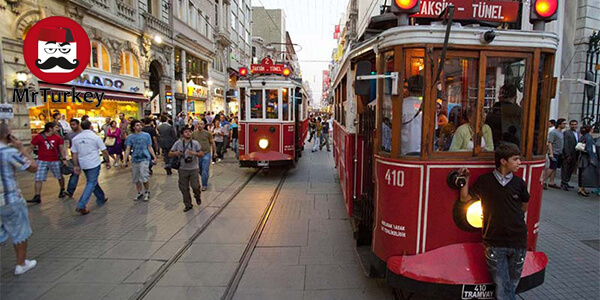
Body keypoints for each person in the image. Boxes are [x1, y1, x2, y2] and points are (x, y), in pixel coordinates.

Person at [459, 143, 529, 300]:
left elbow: (523, 206)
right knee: (504, 288)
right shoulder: (485, 181)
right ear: (503, 161)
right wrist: (466, 178)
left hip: (518, 242)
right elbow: (465, 198)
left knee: (509, 286)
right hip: (495, 242)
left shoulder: (519, 184)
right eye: (515, 159)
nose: (519, 162)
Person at [0, 123, 38, 275]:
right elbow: (33, 167)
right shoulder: (9, 152)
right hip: (10, 199)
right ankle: (21, 264)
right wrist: (21, 148)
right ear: (6, 135)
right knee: (19, 230)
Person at [71, 120, 111, 215]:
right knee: (91, 182)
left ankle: (100, 197)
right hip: (93, 162)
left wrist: (76, 165)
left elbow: (74, 153)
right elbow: (104, 151)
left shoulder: (76, 138)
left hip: (83, 163)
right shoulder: (95, 137)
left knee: (92, 181)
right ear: (90, 126)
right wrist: (108, 161)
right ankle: (81, 204)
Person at [28, 122, 68, 203]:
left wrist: (64, 159)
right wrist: (24, 156)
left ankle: (62, 189)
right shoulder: (39, 137)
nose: (57, 129)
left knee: (59, 176)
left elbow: (61, 149)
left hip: (54, 159)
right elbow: (31, 147)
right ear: (50, 128)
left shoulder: (57, 138)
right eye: (56, 127)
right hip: (41, 160)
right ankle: (37, 196)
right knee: (38, 177)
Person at [170, 127, 204, 212]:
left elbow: (202, 153)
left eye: (189, 132)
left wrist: (194, 153)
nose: (188, 133)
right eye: (186, 132)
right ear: (182, 134)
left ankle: (197, 195)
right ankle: (188, 204)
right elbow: (170, 153)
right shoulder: (178, 143)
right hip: (182, 169)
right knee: (184, 188)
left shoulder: (195, 143)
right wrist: (176, 153)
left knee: (195, 186)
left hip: (194, 168)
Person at [123, 120, 157, 201]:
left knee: (144, 175)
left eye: (140, 125)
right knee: (136, 177)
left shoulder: (146, 135)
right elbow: (128, 149)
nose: (139, 127)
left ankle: (147, 191)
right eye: (137, 125)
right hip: (135, 158)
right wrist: (125, 160)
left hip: (145, 158)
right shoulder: (130, 137)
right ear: (133, 127)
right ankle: (139, 192)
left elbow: (149, 147)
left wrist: (154, 157)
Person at [192, 121, 216, 190]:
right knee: (200, 169)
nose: (199, 125)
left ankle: (204, 185)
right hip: (197, 155)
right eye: (198, 124)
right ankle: (205, 177)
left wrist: (215, 152)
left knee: (205, 169)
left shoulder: (208, 133)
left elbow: (212, 142)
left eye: (201, 124)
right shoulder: (194, 134)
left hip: (206, 154)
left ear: (204, 125)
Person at [576, 125, 599, 197]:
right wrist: (592, 158)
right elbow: (590, 149)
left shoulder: (583, 136)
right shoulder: (589, 137)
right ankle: (582, 189)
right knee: (585, 173)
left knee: (581, 172)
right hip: (586, 157)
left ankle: (581, 189)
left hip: (582, 156)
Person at [544, 118, 566, 189]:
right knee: (552, 167)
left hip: (559, 152)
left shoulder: (561, 132)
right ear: (559, 124)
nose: (565, 125)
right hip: (554, 152)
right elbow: (550, 143)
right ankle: (543, 181)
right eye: (563, 123)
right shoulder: (553, 132)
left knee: (554, 167)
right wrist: (551, 153)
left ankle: (551, 181)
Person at [64, 119, 82, 198]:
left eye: (74, 124)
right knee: (75, 173)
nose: (72, 126)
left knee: (91, 176)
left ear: (78, 124)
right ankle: (70, 191)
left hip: (85, 156)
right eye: (71, 125)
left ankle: (98, 194)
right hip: (75, 156)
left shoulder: (83, 133)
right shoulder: (70, 134)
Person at [561, 120, 579, 190]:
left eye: (575, 124)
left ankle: (566, 182)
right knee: (565, 169)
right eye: (572, 124)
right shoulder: (567, 133)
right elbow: (566, 144)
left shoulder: (577, 133)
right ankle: (563, 183)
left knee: (571, 169)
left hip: (575, 154)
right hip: (568, 154)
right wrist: (567, 155)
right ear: (570, 125)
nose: (574, 126)